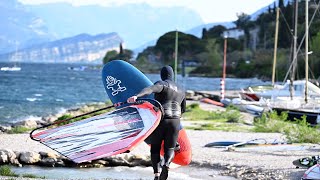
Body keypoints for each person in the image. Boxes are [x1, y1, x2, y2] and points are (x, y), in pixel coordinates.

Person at [127, 65, 186, 180]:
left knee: (155, 148)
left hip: (161, 119)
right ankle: (166, 165)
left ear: (162, 75)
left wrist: (137, 96)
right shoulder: (181, 90)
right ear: (172, 75)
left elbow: (150, 89)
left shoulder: (162, 84)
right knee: (170, 148)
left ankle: (156, 174)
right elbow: (183, 109)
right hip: (175, 121)